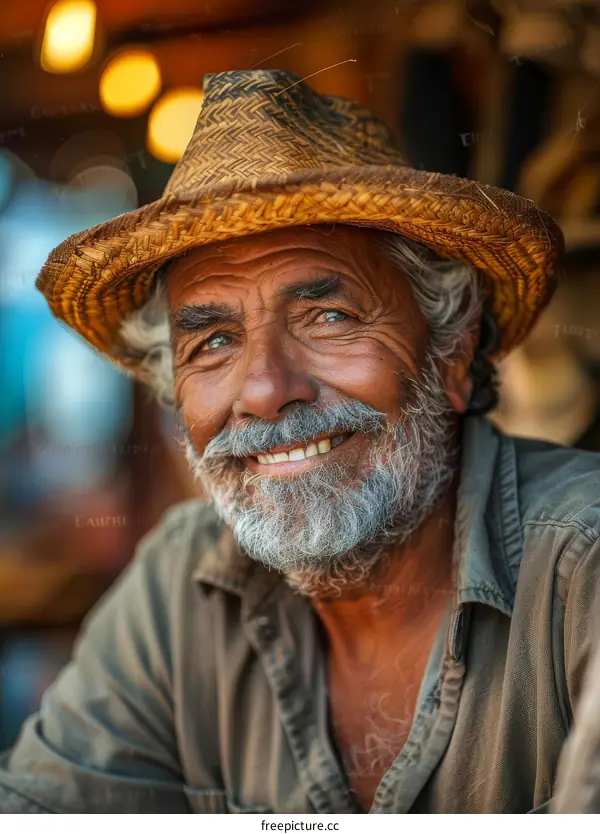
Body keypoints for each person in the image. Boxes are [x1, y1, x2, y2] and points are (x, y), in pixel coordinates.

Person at [0, 69, 596, 814]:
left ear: (454, 349)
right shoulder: (183, 580)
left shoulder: (582, 572)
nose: (263, 389)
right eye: (213, 341)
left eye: (329, 317)